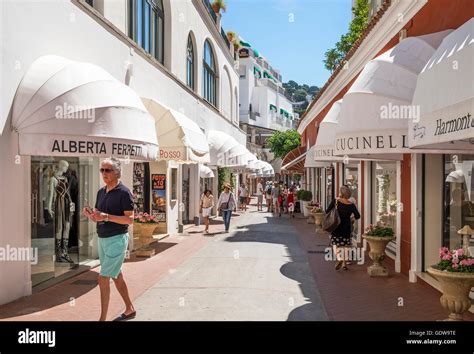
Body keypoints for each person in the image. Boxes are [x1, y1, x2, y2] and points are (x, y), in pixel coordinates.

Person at [83, 158, 135, 321]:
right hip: (103, 239)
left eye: (108, 170)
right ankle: (129, 308)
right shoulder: (101, 192)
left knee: (102, 277)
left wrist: (106, 216)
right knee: (116, 275)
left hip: (117, 239)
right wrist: (92, 216)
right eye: (102, 170)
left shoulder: (124, 193)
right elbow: (99, 218)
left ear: (117, 172)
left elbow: (130, 219)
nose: (104, 173)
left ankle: (102, 319)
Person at [325, 185, 360, 271]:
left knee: (335, 244)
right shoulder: (351, 205)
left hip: (336, 226)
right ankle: (344, 264)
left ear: (341, 193)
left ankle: (339, 258)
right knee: (345, 246)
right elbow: (358, 216)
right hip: (346, 227)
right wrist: (351, 219)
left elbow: (327, 211)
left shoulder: (336, 201)